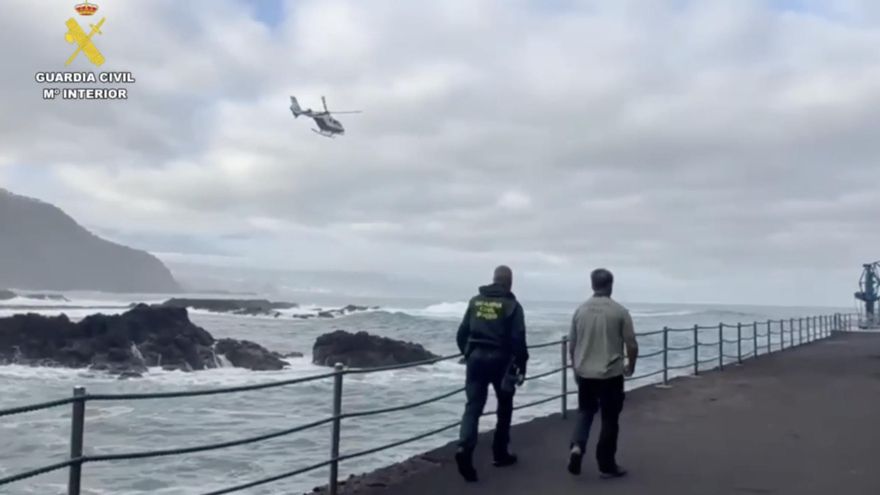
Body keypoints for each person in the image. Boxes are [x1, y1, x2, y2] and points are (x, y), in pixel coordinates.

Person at [454, 265, 529, 482]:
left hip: (476, 359)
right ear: (509, 282)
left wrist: (467, 353)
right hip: (501, 361)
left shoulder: (476, 301)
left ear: (494, 279)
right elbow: (518, 339)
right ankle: (500, 453)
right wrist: (522, 364)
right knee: (504, 406)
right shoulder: (513, 305)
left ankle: (464, 448)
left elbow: (461, 333)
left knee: (473, 407)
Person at [567, 268, 638, 479]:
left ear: (592, 285)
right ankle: (606, 465)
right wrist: (631, 365)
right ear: (611, 285)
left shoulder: (580, 311)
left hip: (585, 372)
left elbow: (572, 344)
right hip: (610, 374)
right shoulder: (619, 311)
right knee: (609, 419)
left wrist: (575, 367)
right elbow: (631, 344)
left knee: (585, 412)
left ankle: (577, 446)